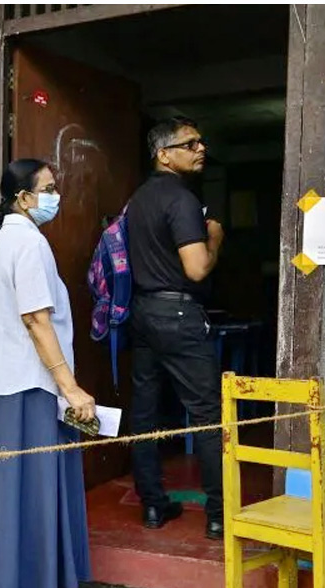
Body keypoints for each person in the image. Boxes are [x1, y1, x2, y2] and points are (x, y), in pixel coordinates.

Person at [0, 159, 95, 588]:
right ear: (24, 199)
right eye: (48, 188)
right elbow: (37, 319)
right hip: (28, 384)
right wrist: (70, 388)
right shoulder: (29, 244)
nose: (56, 196)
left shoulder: (4, 241)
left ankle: (3, 584)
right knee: (26, 488)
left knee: (5, 488)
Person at [126, 116, 226, 540]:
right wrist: (216, 236)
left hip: (143, 313)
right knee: (206, 415)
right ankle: (219, 514)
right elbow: (197, 268)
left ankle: (153, 505)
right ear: (164, 154)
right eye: (190, 143)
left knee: (145, 414)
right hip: (180, 315)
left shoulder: (138, 200)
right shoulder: (182, 200)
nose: (200, 148)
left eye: (201, 141)